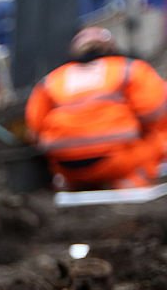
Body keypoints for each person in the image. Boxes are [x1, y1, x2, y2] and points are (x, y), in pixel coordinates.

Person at [25, 26, 167, 190]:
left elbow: (34, 131)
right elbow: (153, 113)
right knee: (158, 138)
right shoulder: (129, 69)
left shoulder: (51, 80)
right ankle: (131, 180)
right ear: (111, 47)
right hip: (118, 161)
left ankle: (70, 182)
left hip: (66, 166)